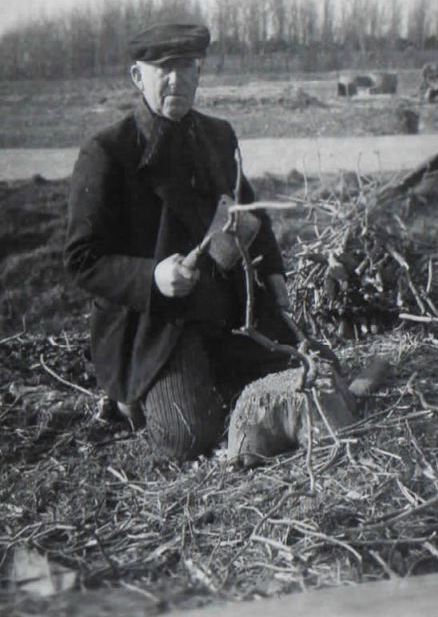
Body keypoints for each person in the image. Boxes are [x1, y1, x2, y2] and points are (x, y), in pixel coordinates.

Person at [64, 23, 295, 461]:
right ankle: (130, 398)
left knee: (307, 375)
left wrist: (273, 274)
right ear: (138, 77)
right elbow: (82, 259)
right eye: (165, 69)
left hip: (227, 308)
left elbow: (248, 214)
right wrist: (153, 276)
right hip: (153, 323)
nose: (178, 80)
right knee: (189, 436)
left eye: (188, 67)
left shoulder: (218, 135)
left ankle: (208, 377)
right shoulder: (108, 151)